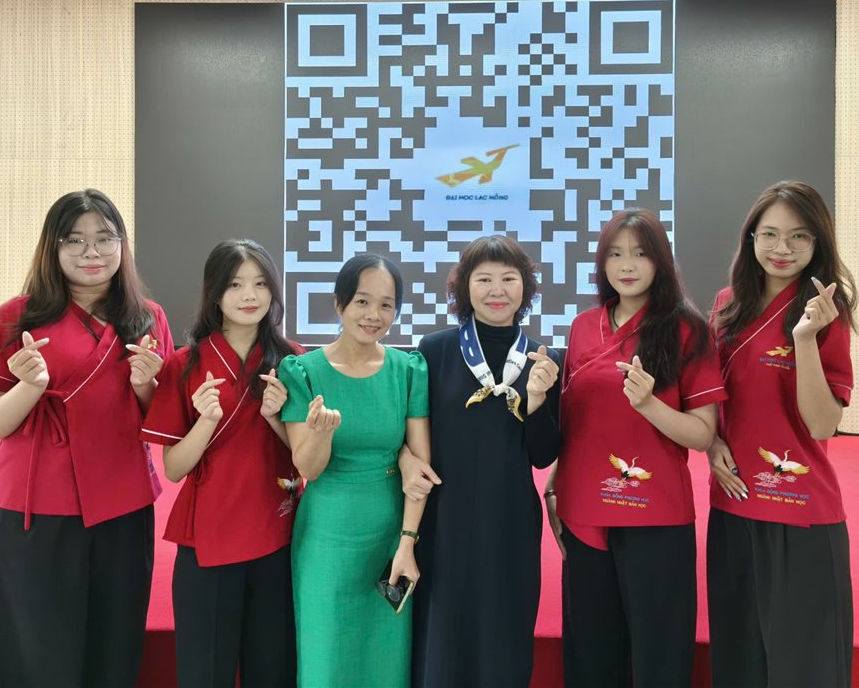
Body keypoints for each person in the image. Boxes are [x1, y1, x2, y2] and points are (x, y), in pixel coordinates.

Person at [0, 189, 172, 688]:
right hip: (36, 507)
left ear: (122, 244)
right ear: (52, 247)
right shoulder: (16, 317)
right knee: (35, 651)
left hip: (122, 507)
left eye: (105, 238)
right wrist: (29, 387)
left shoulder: (147, 318)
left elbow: (164, 423)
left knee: (112, 644)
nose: (91, 252)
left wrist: (145, 385)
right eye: (74, 240)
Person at [545, 209, 727, 688]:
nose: (627, 265)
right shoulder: (583, 326)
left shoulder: (687, 329)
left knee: (659, 651)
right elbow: (575, 420)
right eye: (615, 254)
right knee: (591, 650)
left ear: (660, 260)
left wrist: (648, 404)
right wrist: (555, 484)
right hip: (585, 508)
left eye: (640, 254)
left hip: (655, 514)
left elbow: (702, 434)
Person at [706, 180, 858, 687]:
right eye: (769, 234)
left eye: (799, 236)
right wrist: (711, 444)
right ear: (751, 238)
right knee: (740, 663)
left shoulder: (825, 311)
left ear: (818, 242)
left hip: (799, 511)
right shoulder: (727, 305)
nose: (782, 248)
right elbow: (709, 399)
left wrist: (805, 339)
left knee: (805, 669)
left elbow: (821, 424)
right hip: (733, 505)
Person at [400, 235, 561, 687]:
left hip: (509, 519)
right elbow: (405, 431)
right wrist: (407, 458)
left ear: (526, 288)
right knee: (442, 634)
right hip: (443, 517)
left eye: (509, 279)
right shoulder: (433, 350)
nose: (497, 290)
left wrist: (536, 399)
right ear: (464, 288)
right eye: (484, 279)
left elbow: (543, 455)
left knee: (502, 633)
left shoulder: (543, 360)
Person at [139, 239, 301, 688]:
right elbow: (174, 468)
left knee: (273, 667)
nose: (250, 295)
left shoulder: (294, 360)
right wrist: (206, 422)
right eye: (235, 284)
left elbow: (306, 457)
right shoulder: (184, 364)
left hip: (278, 534)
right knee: (204, 669)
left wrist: (275, 418)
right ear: (214, 293)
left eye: (260, 284)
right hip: (207, 539)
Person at [278, 254, 430, 688]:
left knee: (385, 661)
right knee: (326, 658)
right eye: (362, 301)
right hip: (326, 535)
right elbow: (308, 467)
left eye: (386, 305)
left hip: (389, 531)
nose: (373, 315)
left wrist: (407, 543)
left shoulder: (408, 370)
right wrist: (322, 434)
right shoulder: (302, 370)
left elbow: (420, 473)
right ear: (339, 303)